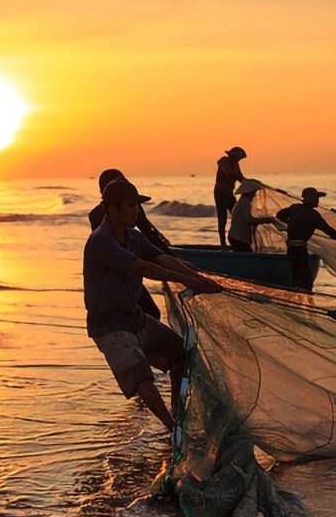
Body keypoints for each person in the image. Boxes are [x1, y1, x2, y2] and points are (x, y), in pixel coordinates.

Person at [84, 179, 222, 430]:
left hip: (134, 318)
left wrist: (198, 277)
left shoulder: (134, 237)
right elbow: (143, 267)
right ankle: (172, 428)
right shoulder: (101, 240)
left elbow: (161, 258)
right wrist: (185, 279)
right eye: (131, 206)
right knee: (141, 377)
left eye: (137, 205)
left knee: (181, 354)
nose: (137, 210)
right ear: (112, 210)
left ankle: (177, 411)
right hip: (109, 326)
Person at [87, 168, 172, 321]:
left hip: (129, 270)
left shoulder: (129, 207)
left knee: (150, 313)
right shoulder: (101, 222)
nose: (135, 209)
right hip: (117, 275)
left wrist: (167, 257)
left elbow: (147, 235)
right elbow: (147, 235)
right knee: (148, 312)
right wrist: (168, 258)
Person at [274, 187, 336, 291]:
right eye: (315, 198)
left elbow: (279, 215)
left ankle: (296, 294)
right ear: (308, 198)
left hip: (290, 247)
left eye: (318, 198)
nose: (317, 200)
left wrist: (290, 222)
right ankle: (304, 297)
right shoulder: (313, 215)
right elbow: (328, 230)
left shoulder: (295, 208)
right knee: (305, 279)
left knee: (296, 274)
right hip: (299, 249)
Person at [227, 179, 281, 252]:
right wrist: (266, 220)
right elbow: (249, 219)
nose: (254, 194)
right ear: (249, 192)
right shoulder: (245, 202)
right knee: (246, 257)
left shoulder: (242, 201)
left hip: (236, 237)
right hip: (238, 238)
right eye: (254, 192)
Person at [213, 146, 247, 249]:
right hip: (220, 192)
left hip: (230, 193)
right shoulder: (224, 161)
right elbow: (228, 173)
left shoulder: (236, 165)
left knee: (237, 215)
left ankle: (236, 240)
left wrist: (254, 184)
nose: (239, 160)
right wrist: (238, 176)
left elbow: (241, 178)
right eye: (238, 158)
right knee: (222, 219)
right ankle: (223, 244)